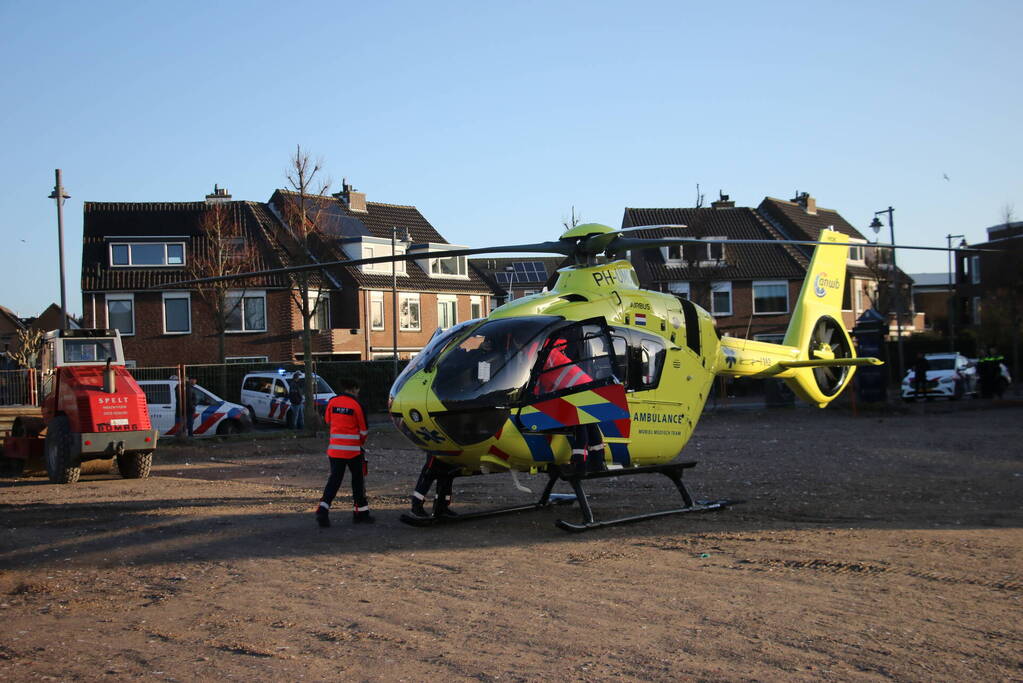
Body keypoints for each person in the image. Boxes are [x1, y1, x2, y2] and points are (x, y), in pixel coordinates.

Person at [316, 378, 372, 526]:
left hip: (334, 450)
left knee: (334, 481)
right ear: (354, 389)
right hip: (353, 451)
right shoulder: (357, 405)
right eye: (358, 390)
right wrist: (359, 442)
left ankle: (323, 509)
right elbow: (364, 430)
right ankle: (361, 513)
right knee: (357, 481)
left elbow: (328, 421)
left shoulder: (332, 402)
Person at [408, 454, 461, 519]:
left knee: (447, 474)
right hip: (437, 450)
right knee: (429, 472)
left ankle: (441, 508)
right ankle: (416, 507)